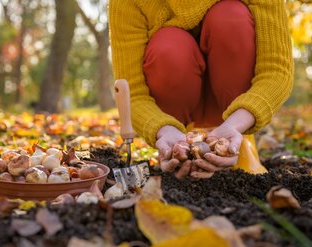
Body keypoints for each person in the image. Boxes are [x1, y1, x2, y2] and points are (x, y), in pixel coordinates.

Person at [109, 0, 293, 179]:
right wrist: (165, 130)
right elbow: (132, 92)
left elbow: (276, 72)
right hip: (175, 114)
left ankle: (240, 142)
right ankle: (179, 150)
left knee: (230, 17)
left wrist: (236, 124)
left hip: (234, 111)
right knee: (169, 45)